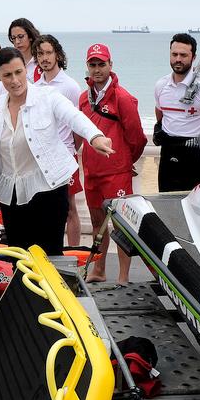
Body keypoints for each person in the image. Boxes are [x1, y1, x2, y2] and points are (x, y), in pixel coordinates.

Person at [0, 47, 114, 257]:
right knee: (19, 256)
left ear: (26, 70)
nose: (15, 80)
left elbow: (75, 117)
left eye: (18, 72)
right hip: (12, 193)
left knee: (48, 256)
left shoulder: (47, 96)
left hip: (48, 189)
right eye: (7, 75)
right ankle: (23, 291)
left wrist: (95, 137)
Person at [78, 43, 146, 284]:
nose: (97, 70)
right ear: (88, 66)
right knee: (98, 223)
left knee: (120, 226)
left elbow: (137, 137)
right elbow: (80, 133)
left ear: (110, 65)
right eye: (93, 64)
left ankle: (123, 277)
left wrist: (126, 162)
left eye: (101, 64)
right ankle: (99, 269)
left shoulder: (122, 98)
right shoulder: (83, 99)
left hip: (116, 173)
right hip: (92, 172)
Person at [32, 34, 83, 247]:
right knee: (43, 208)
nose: (44, 58)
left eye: (48, 52)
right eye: (40, 53)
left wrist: (70, 150)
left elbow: (78, 125)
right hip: (42, 158)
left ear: (58, 55)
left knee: (70, 208)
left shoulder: (70, 86)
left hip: (65, 156)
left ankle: (73, 256)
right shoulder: (34, 86)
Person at [154, 33, 200, 192]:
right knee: (167, 201)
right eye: (174, 54)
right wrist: (159, 128)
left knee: (194, 206)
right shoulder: (161, 85)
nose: (178, 59)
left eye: (183, 55)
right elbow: (160, 112)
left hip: (195, 155)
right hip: (168, 152)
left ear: (194, 57)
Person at [8, 18, 42, 82]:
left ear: (30, 36)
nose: (17, 41)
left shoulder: (41, 61)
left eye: (20, 36)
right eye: (13, 38)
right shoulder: (11, 62)